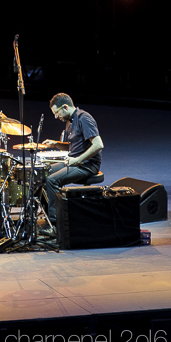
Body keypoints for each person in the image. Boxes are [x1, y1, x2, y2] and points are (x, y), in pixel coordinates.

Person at [42, 93, 104, 235]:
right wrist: (56, 144)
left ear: (65, 107)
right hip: (75, 162)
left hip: (87, 165)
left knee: (51, 180)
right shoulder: (70, 121)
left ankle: (55, 225)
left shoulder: (84, 118)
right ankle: (48, 215)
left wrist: (78, 160)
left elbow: (98, 145)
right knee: (44, 172)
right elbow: (74, 146)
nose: (56, 117)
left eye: (56, 113)